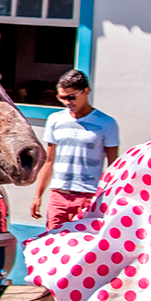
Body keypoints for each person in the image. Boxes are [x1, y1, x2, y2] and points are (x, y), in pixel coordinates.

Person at [31, 69, 120, 228]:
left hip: (89, 196)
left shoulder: (106, 123)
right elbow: (49, 161)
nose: (67, 102)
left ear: (86, 92)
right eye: (61, 97)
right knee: (53, 242)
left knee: (84, 244)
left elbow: (114, 167)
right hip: (59, 195)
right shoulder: (55, 120)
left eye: (71, 97)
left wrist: (110, 198)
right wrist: (38, 195)